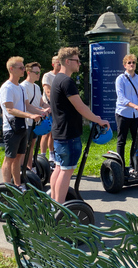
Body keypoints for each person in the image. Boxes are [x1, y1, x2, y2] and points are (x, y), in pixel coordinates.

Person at [49, 47, 109, 204]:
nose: (79, 64)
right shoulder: (67, 81)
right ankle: (59, 209)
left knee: (59, 168)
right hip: (68, 134)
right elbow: (80, 107)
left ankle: (53, 203)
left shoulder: (57, 79)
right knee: (66, 171)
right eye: (77, 61)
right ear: (67, 62)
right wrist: (98, 120)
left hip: (59, 133)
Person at [0, 56, 49, 190]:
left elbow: (27, 105)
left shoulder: (20, 88)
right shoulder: (7, 87)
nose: (23, 70)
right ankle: (7, 187)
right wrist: (30, 115)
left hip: (22, 126)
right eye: (21, 68)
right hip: (11, 128)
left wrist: (41, 112)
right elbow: (9, 109)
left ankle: (18, 184)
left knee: (19, 157)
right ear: (11, 69)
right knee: (9, 158)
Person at [20, 62, 50, 170]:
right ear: (28, 72)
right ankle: (22, 168)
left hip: (36, 122)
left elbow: (41, 103)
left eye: (39, 72)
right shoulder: (23, 86)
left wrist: (49, 108)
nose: (38, 75)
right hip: (27, 121)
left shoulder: (36, 87)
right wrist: (41, 111)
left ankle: (30, 167)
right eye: (36, 72)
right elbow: (27, 106)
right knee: (24, 147)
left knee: (32, 145)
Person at [40, 55, 61, 163]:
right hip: (48, 107)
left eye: (61, 62)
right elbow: (48, 92)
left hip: (58, 108)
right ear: (53, 64)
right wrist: (54, 104)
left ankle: (51, 154)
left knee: (53, 133)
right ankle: (42, 156)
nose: (60, 64)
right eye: (58, 62)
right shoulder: (47, 76)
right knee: (46, 132)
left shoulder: (62, 76)